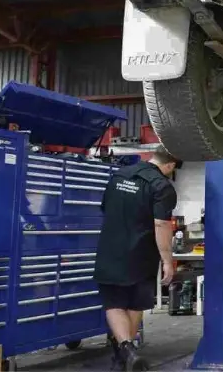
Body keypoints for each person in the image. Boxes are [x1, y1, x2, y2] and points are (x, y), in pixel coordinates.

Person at [94, 148, 181, 371]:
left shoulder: (118, 176)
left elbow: (106, 209)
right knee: (134, 305)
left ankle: (125, 352)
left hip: (110, 251)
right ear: (170, 166)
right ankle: (126, 354)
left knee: (114, 304)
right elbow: (161, 225)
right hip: (142, 255)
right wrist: (168, 261)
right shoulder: (162, 187)